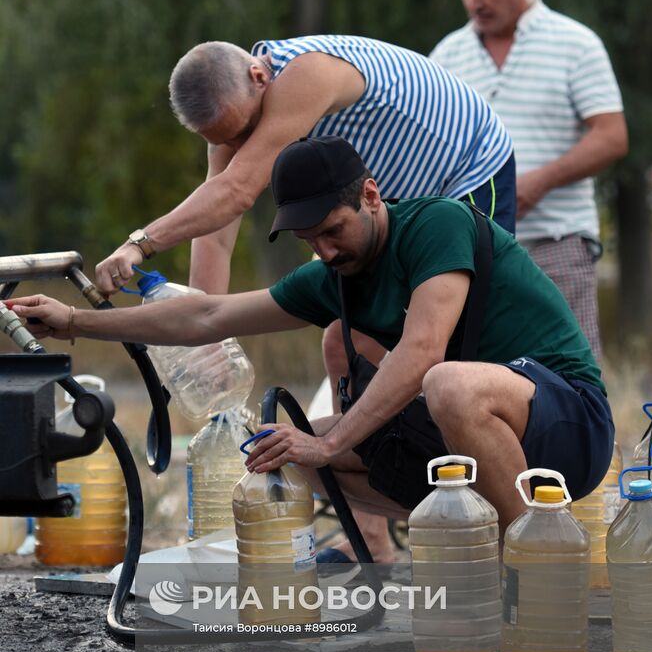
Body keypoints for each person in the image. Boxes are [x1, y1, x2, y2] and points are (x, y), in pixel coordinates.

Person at [11, 136, 614, 563]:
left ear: (372, 196)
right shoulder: (332, 275)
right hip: (461, 446)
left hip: (566, 427)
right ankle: (389, 554)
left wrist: (332, 440)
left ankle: (532, 569)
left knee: (444, 384)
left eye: (333, 230)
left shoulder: (437, 225)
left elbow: (425, 348)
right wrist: (74, 321)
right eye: (309, 239)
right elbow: (208, 315)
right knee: (277, 451)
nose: (325, 250)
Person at [95, 34, 515, 298]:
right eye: (225, 142)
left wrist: (141, 243)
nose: (241, 147)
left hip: (468, 169)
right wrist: (206, 334)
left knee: (455, 325)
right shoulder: (234, 113)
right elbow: (216, 232)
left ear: (259, 76)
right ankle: (365, 441)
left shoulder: (307, 73)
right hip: (395, 198)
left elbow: (238, 190)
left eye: (244, 130)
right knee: (343, 338)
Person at [430, 0, 628, 358]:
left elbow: (612, 136)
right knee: (482, 378)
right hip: (476, 251)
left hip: (557, 243)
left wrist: (538, 182)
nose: (473, 1)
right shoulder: (447, 55)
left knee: (570, 376)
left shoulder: (575, 43)